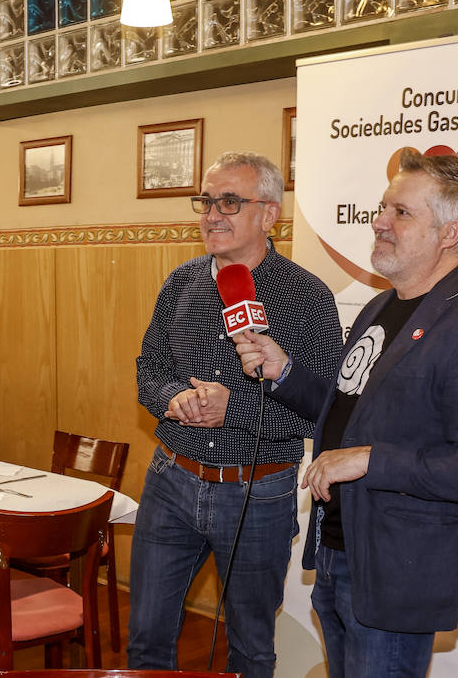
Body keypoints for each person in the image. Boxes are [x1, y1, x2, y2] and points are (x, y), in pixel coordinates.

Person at [235, 149, 458, 677]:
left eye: (401, 212)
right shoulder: (382, 304)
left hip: (395, 577)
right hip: (337, 554)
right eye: (383, 207)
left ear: (450, 231)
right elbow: (348, 411)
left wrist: (371, 460)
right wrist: (284, 373)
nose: (379, 222)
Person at [130, 152, 343, 677]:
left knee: (250, 645)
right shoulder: (181, 283)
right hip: (171, 479)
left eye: (230, 201)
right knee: (146, 638)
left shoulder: (307, 297)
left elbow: (322, 410)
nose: (212, 215)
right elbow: (148, 370)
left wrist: (234, 409)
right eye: (206, 201)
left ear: (270, 215)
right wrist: (172, 399)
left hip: (258, 490)